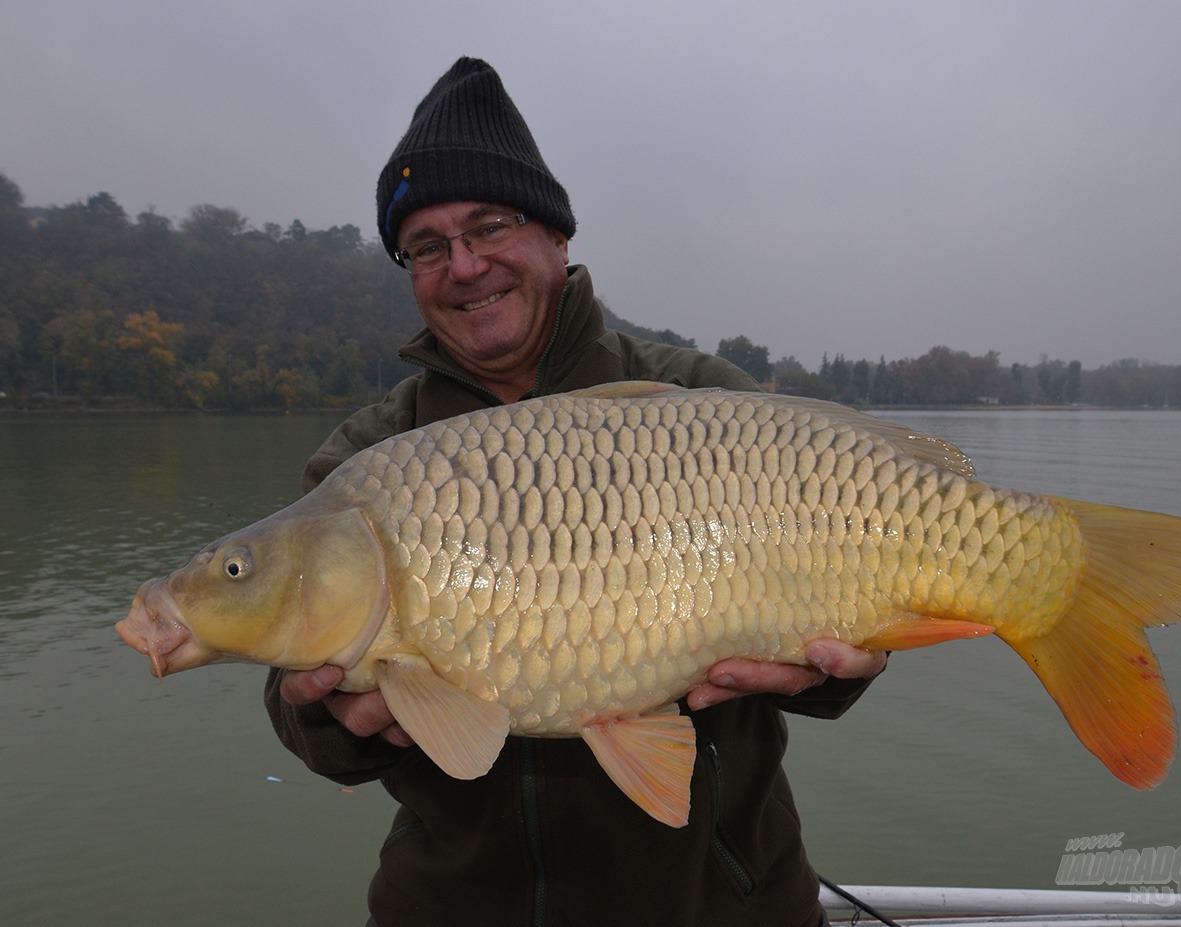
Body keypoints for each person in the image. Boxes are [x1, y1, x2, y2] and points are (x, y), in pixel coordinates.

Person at [265, 56, 886, 927]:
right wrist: (333, 717)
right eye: (429, 246)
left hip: (720, 906)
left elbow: (830, 627)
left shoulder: (702, 399)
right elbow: (301, 719)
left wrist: (846, 665)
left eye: (489, 226)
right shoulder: (374, 457)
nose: (465, 265)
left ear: (558, 235)